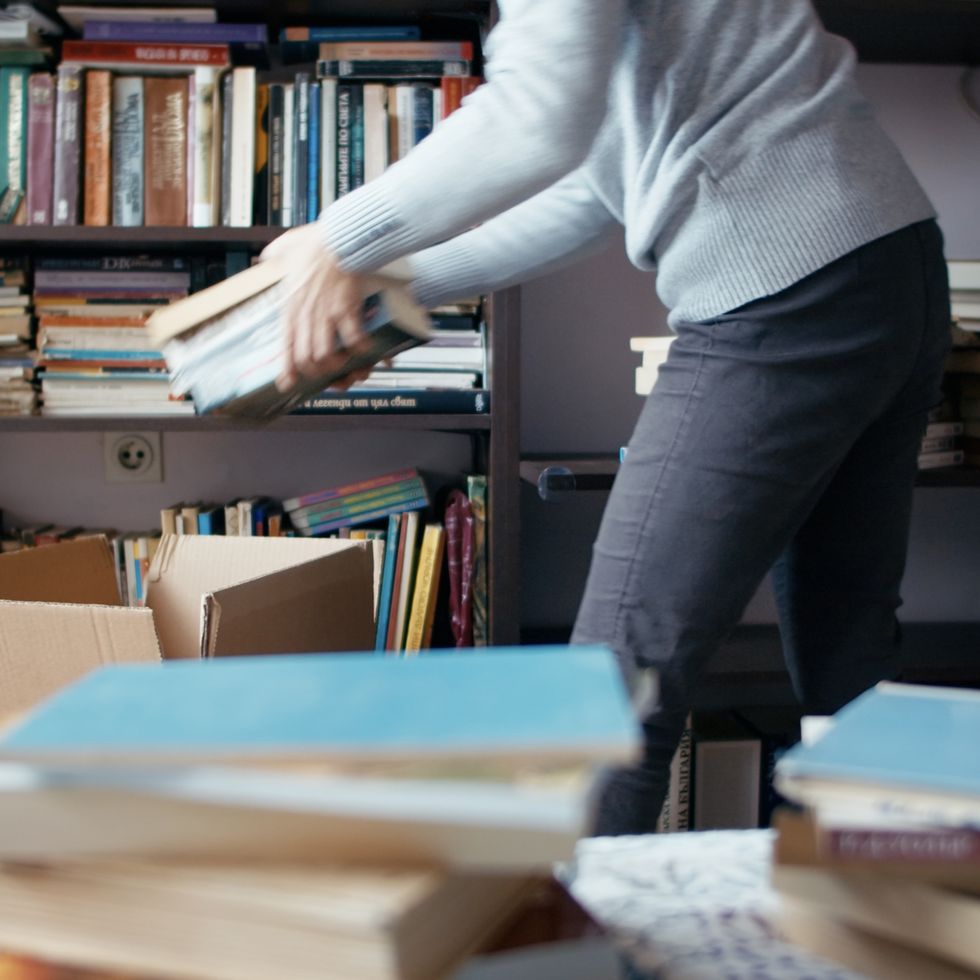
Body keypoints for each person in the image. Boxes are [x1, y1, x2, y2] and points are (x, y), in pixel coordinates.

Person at [263, 0, 951, 835]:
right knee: (847, 643)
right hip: (886, 259)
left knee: (617, 679)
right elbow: (594, 190)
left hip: (784, 285)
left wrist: (339, 240)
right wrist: (398, 290)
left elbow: (534, 117)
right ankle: (897, 925)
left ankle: (572, 946)